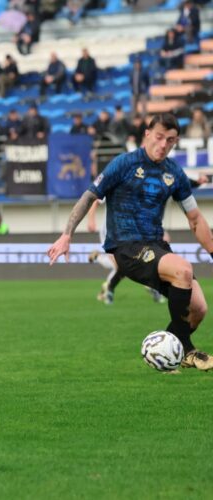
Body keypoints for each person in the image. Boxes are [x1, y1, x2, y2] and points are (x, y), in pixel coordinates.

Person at [47, 113, 213, 371]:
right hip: (125, 247)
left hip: (156, 247)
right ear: (147, 134)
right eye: (159, 137)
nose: (163, 145)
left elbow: (195, 219)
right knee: (183, 269)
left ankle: (165, 352)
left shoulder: (174, 173)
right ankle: (188, 350)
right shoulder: (124, 163)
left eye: (170, 140)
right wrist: (67, 234)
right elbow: (89, 196)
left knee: (199, 308)